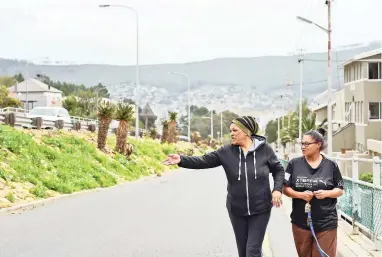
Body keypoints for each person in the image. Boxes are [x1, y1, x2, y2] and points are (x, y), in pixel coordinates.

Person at [163, 116, 285, 257]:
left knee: (252, 251)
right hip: (236, 209)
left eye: (235, 130)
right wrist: (181, 160)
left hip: (261, 208)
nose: (231, 133)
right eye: (230, 130)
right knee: (243, 252)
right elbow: (203, 161)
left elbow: (278, 170)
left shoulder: (265, 150)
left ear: (246, 132)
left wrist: (277, 189)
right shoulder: (226, 152)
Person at [283, 129, 344, 257]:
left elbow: (340, 190)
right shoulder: (293, 164)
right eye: (302, 144)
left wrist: (326, 193)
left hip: (326, 223)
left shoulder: (331, 165)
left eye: (307, 144)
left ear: (318, 144)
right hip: (300, 222)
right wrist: (300, 195)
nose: (303, 147)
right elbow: (285, 188)